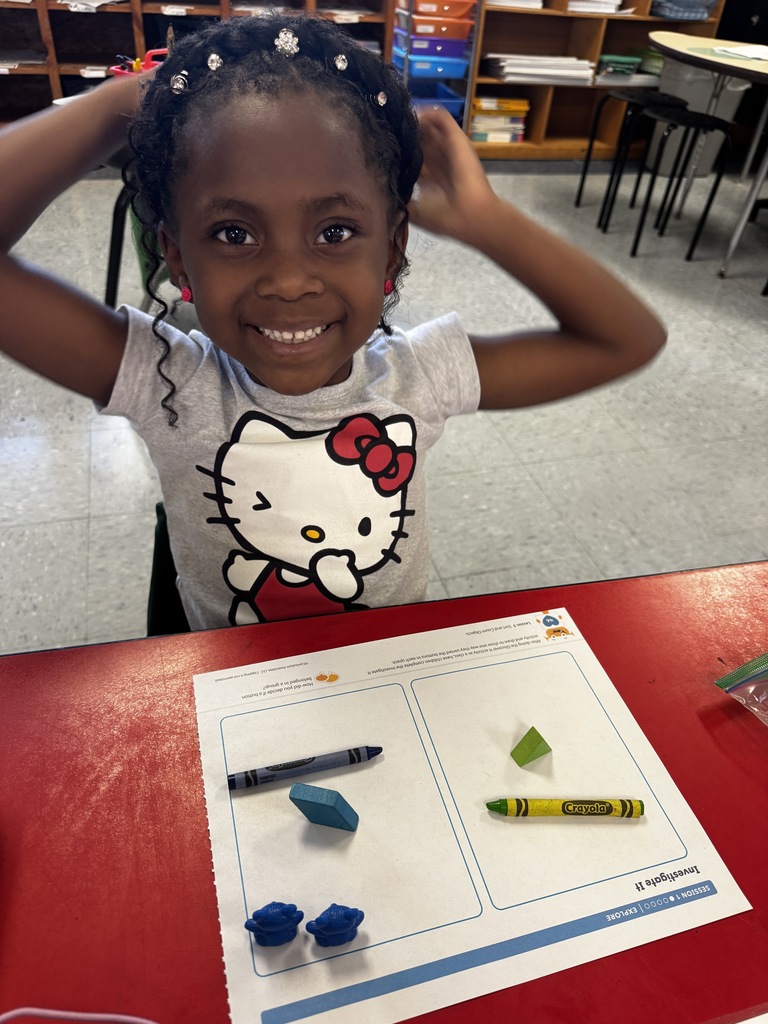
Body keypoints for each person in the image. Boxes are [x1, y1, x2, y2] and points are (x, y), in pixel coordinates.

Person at [0, 14, 665, 630]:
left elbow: (629, 339)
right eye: (234, 233)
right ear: (177, 256)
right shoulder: (165, 381)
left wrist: (486, 222)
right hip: (237, 703)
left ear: (393, 248)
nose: (289, 281)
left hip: (386, 686)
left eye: (336, 230)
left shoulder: (420, 376)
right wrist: (140, 98)